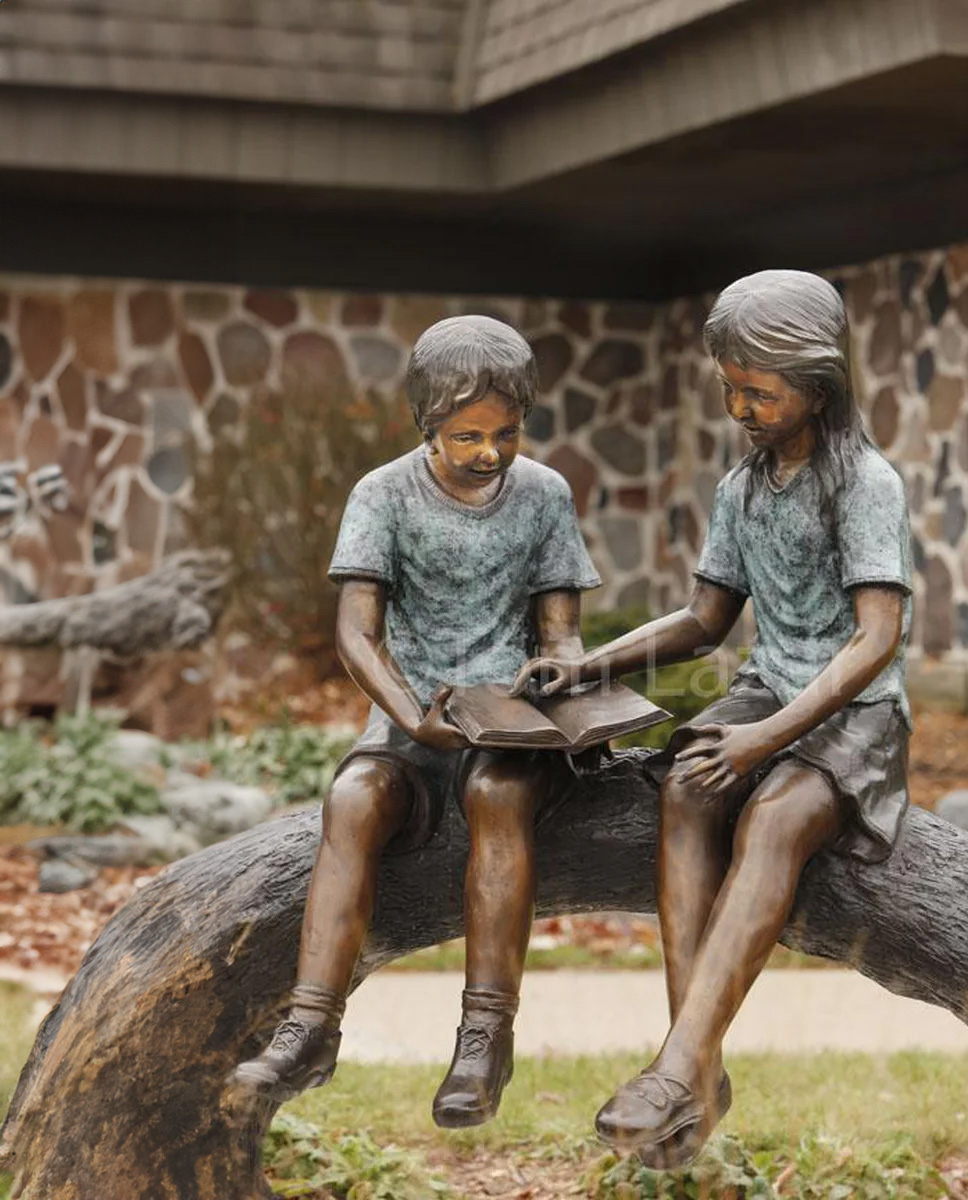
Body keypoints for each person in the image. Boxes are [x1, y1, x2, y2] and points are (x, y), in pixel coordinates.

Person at [514, 269, 912, 1167]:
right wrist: (588, 663)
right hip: (769, 690)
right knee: (687, 793)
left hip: (853, 713)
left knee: (772, 821)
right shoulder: (742, 488)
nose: (740, 406)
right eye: (729, 388)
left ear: (818, 383)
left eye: (759, 391)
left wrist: (764, 741)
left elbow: (875, 639)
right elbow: (704, 620)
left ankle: (675, 1067)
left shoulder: (866, 484)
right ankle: (695, 1067)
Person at [231, 314, 600, 1128]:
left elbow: (561, 629)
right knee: (355, 800)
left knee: (500, 797)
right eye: (468, 435)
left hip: (506, 727)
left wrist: (563, 665)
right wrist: (410, 718)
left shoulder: (544, 496)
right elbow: (356, 635)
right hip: (412, 719)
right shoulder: (382, 494)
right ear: (427, 424)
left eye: (507, 433)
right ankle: (312, 1025)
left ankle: (485, 1037)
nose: (489, 453)